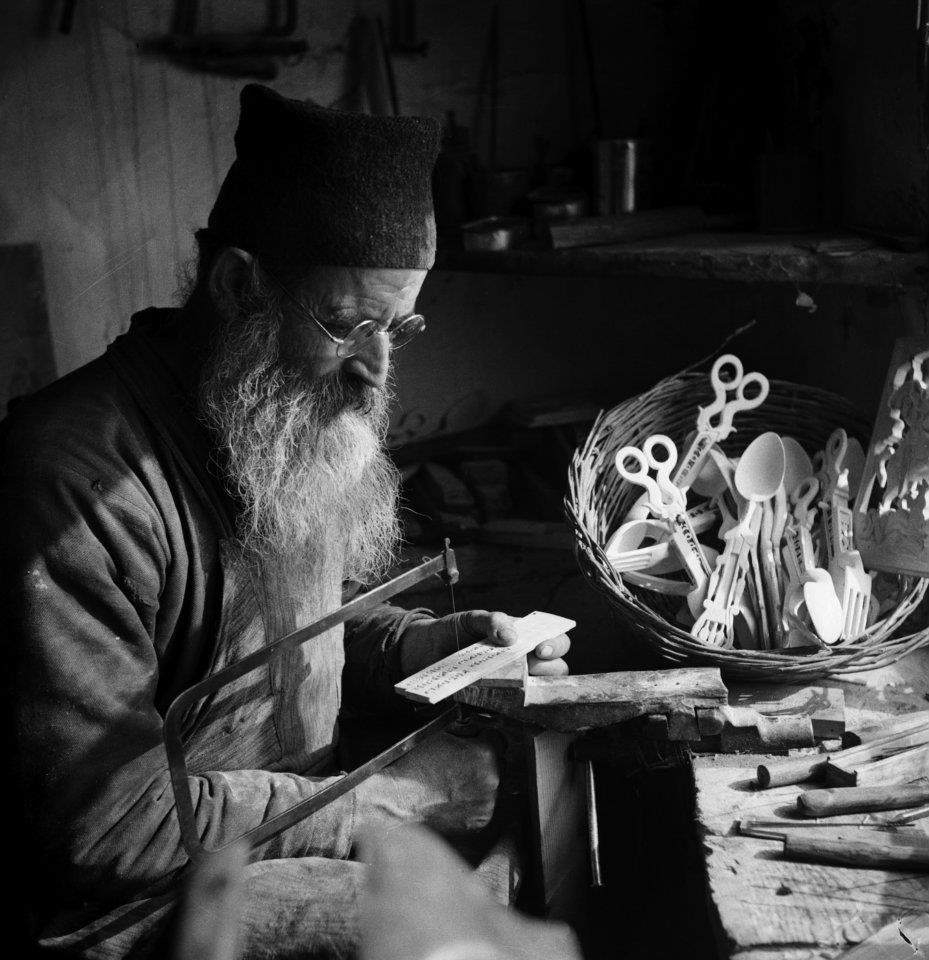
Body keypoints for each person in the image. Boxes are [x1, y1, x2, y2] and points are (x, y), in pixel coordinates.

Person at [0, 84, 570, 959]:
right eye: (348, 326)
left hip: (281, 818)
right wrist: (385, 802)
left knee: (538, 838)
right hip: (124, 906)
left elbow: (297, 636)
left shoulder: (272, 416)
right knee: (453, 937)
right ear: (238, 286)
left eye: (399, 325)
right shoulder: (71, 483)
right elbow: (107, 826)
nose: (376, 372)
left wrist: (428, 647)